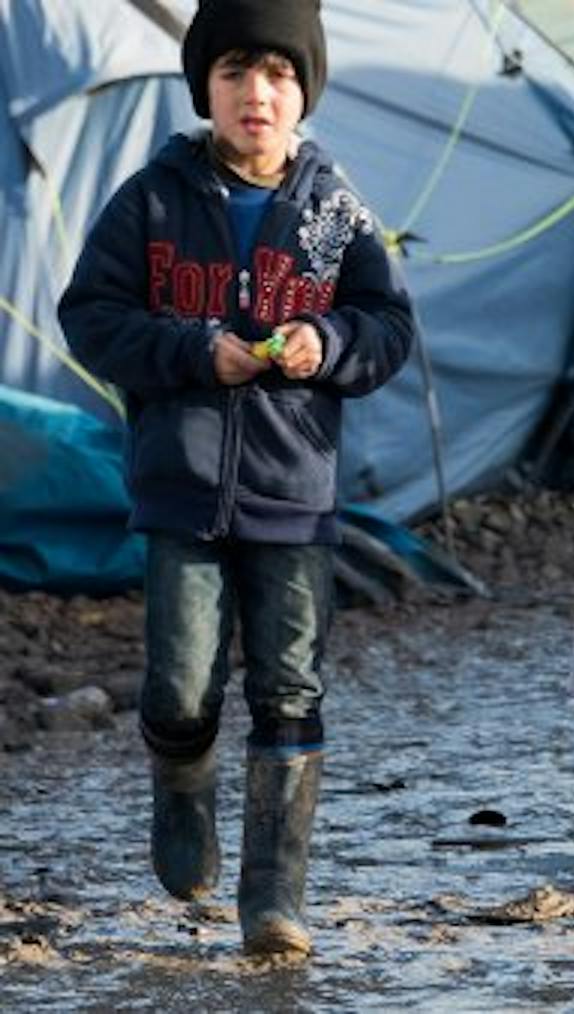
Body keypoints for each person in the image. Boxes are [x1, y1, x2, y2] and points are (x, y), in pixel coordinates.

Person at [58, 0, 415, 958]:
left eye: (279, 75)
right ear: (204, 87)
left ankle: (273, 895)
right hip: (181, 489)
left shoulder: (336, 213)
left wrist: (324, 340)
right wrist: (187, 351)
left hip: (294, 497)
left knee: (291, 688)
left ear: (306, 89)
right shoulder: (152, 200)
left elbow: (388, 328)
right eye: (234, 73)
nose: (257, 94)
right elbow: (89, 316)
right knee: (180, 689)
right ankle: (181, 789)